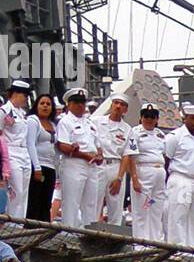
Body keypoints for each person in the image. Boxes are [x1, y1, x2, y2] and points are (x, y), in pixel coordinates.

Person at [116, 103, 166, 243]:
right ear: (141, 117)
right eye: (146, 116)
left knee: (156, 208)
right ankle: (140, 242)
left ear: (157, 119)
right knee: (141, 209)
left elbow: (165, 154)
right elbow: (131, 156)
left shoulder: (160, 134)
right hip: (143, 171)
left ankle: (155, 241)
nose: (149, 119)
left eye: (152, 117)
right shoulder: (135, 132)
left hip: (159, 172)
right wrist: (135, 178)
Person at [55, 86, 104, 228]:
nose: (80, 105)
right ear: (69, 104)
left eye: (82, 102)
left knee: (90, 204)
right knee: (71, 203)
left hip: (92, 165)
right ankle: (68, 235)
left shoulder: (90, 123)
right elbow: (62, 145)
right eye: (76, 102)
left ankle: (88, 236)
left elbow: (98, 145)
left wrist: (99, 155)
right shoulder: (65, 121)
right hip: (74, 164)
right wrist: (84, 155)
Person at [164, 104, 194, 249]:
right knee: (178, 216)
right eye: (193, 118)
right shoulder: (175, 137)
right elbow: (165, 161)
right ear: (185, 119)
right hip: (181, 178)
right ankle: (176, 250)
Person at [0, 81, 40, 220]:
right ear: (14, 94)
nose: (26, 98)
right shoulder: (3, 111)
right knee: (16, 190)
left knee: (24, 192)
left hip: (24, 152)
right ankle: (11, 222)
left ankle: (19, 222)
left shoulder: (22, 113)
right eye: (24, 95)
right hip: (10, 151)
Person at [94, 96, 132, 226]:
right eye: (116, 103)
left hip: (115, 167)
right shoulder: (96, 122)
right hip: (97, 165)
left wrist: (120, 178)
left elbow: (127, 155)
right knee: (93, 203)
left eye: (122, 104)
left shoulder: (127, 129)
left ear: (125, 109)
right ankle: (89, 235)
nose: (118, 106)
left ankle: (113, 242)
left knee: (115, 206)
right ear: (111, 105)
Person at [26, 93, 58, 222]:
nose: (45, 106)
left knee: (46, 201)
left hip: (50, 167)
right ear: (36, 106)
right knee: (34, 199)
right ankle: (30, 229)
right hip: (38, 166)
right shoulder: (33, 121)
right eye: (42, 103)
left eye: (48, 104)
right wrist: (37, 167)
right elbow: (30, 143)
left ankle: (43, 229)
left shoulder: (53, 125)